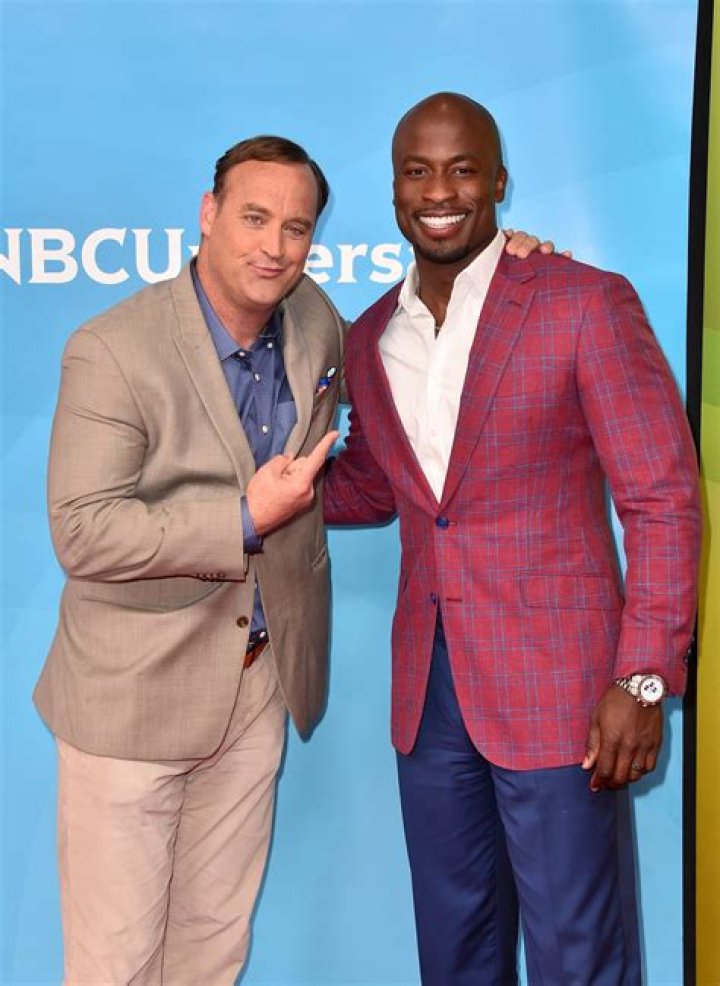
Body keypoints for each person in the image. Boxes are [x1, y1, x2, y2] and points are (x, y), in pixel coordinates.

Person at [35, 132, 552, 984]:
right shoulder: (114, 349)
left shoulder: (314, 321)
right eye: (253, 218)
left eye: (296, 227)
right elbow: (83, 531)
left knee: (214, 946)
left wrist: (506, 262)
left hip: (257, 688)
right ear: (208, 215)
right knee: (115, 962)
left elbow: (412, 353)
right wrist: (243, 518)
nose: (273, 246)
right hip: (131, 700)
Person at [324, 93, 701, 985]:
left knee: (579, 954)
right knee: (455, 952)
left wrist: (642, 678)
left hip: (563, 691)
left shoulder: (584, 302)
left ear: (498, 182)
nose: (439, 191)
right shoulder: (371, 336)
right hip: (428, 698)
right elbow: (375, 485)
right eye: (418, 172)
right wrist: (248, 488)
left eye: (462, 170)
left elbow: (662, 500)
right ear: (394, 189)